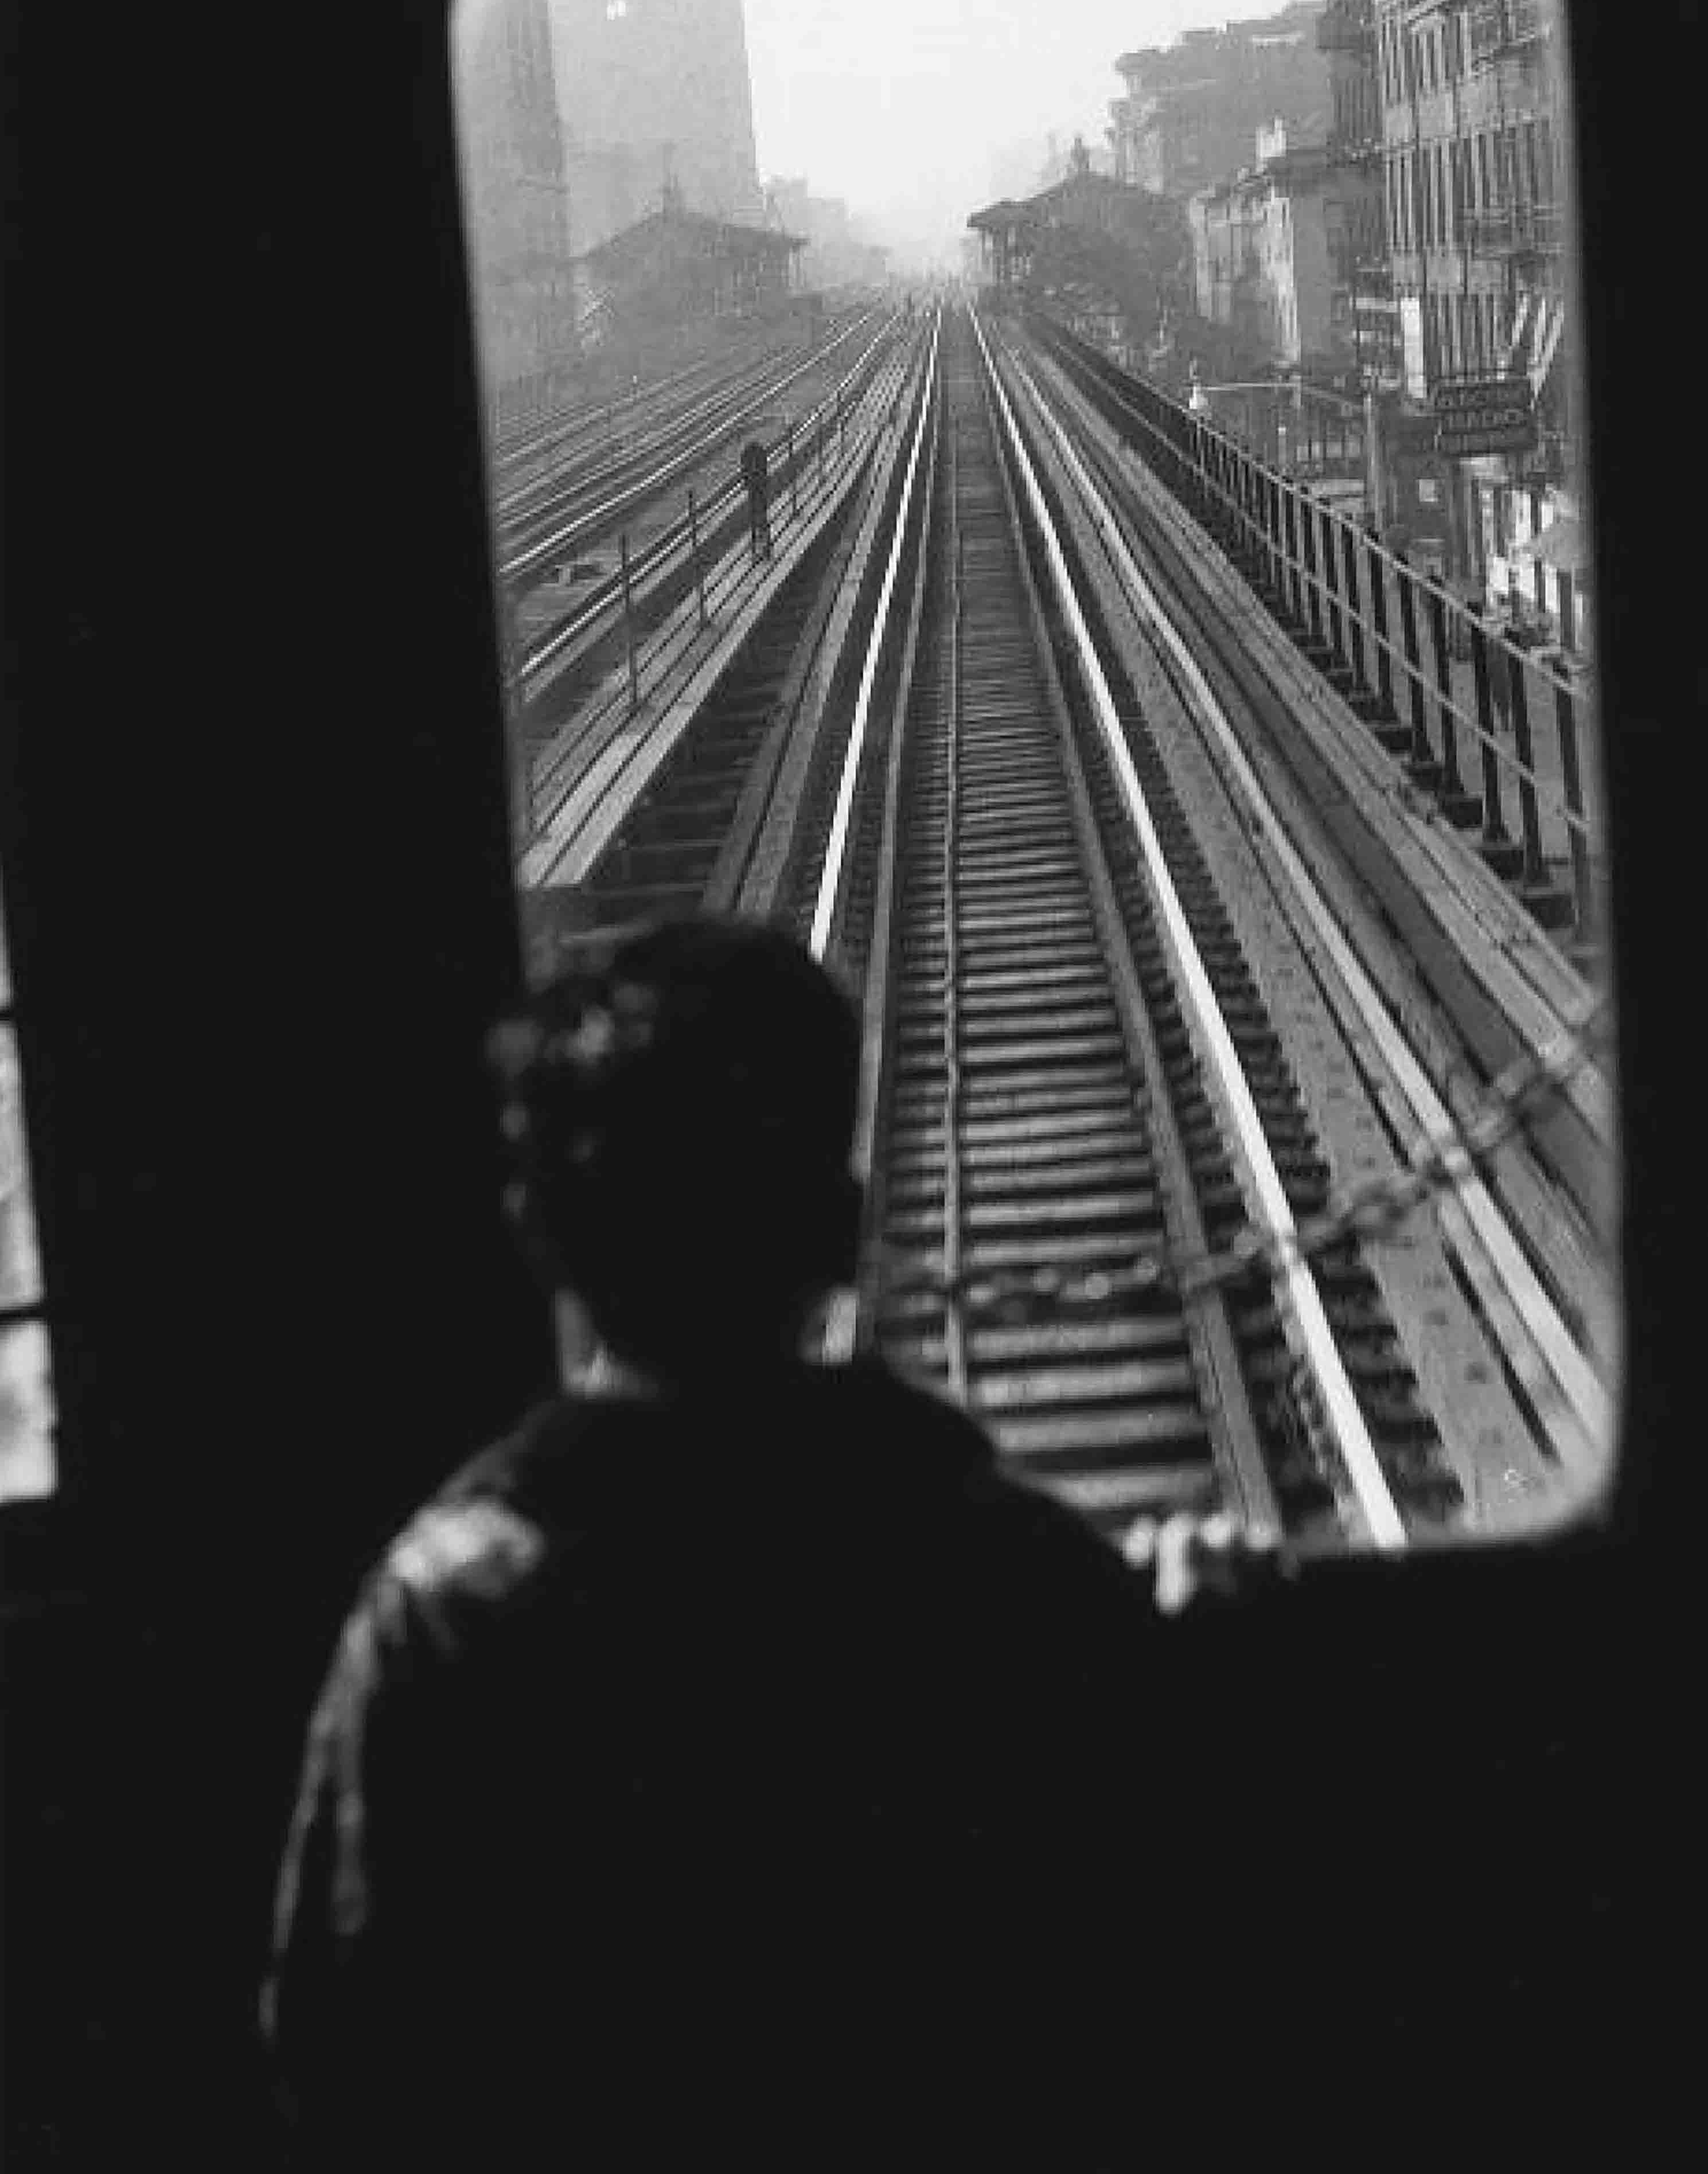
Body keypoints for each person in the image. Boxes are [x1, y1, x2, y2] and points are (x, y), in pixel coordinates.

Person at [259, 920, 1257, 2168]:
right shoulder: (1007, 1573)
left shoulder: (446, 1610)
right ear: (840, 1228)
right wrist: (1198, 1669)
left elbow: (340, 2056)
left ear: (541, 1236)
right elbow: (1172, 1984)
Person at [740, 433, 772, 560]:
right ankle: (764, 545)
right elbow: (763, 469)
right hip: (760, 485)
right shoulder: (758, 451)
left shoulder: (747, 454)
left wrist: (747, 481)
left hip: (754, 488)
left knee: (756, 515)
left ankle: (760, 546)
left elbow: (745, 472)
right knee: (761, 514)